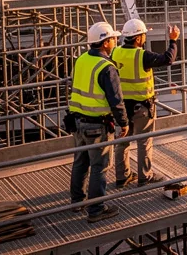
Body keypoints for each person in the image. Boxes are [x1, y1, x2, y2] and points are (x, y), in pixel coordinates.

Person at [68, 21, 128, 223]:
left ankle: (77, 202)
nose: (115, 41)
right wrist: (123, 123)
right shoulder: (106, 67)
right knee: (99, 166)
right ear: (105, 43)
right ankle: (96, 209)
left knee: (80, 162)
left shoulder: (81, 59)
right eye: (113, 39)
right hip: (97, 125)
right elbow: (116, 100)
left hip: (77, 121)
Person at [112, 19, 181, 188]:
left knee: (122, 141)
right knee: (144, 141)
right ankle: (145, 176)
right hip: (141, 106)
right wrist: (173, 40)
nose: (144, 38)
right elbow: (168, 59)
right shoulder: (142, 55)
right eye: (143, 35)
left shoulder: (115, 52)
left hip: (121, 107)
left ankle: (122, 176)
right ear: (137, 38)